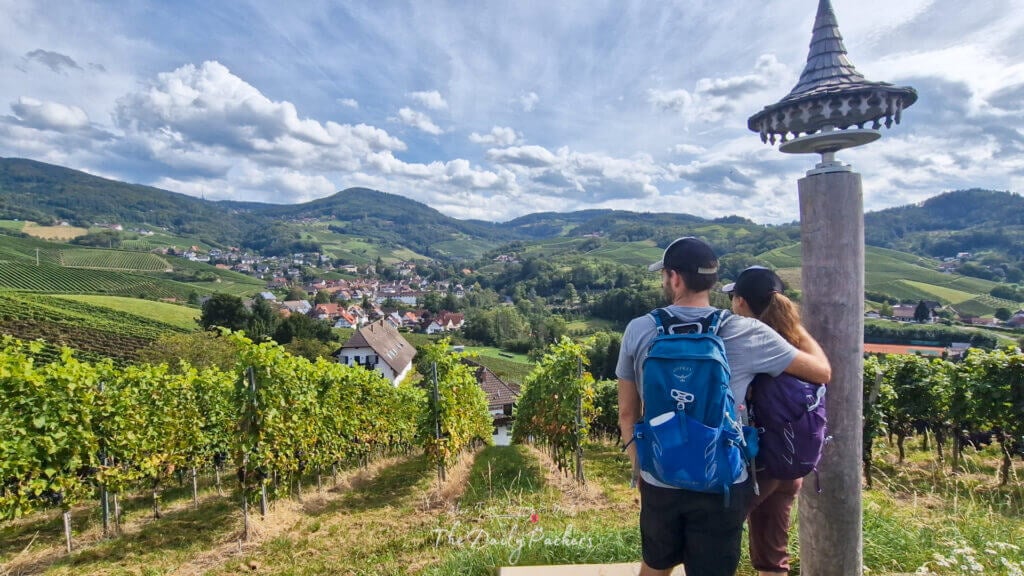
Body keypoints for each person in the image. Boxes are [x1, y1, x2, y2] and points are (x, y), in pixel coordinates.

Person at [616, 238, 831, 576]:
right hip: (724, 481)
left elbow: (628, 412)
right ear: (713, 281)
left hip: (659, 473)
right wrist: (795, 324)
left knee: (656, 565)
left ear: (674, 278)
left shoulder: (639, 329)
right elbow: (822, 372)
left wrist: (640, 468)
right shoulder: (746, 331)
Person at [723, 266, 824, 576]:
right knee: (772, 555)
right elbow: (823, 370)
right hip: (791, 461)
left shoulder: (750, 340)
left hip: (759, 464)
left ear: (740, 302)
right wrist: (795, 325)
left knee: (711, 532)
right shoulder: (791, 345)